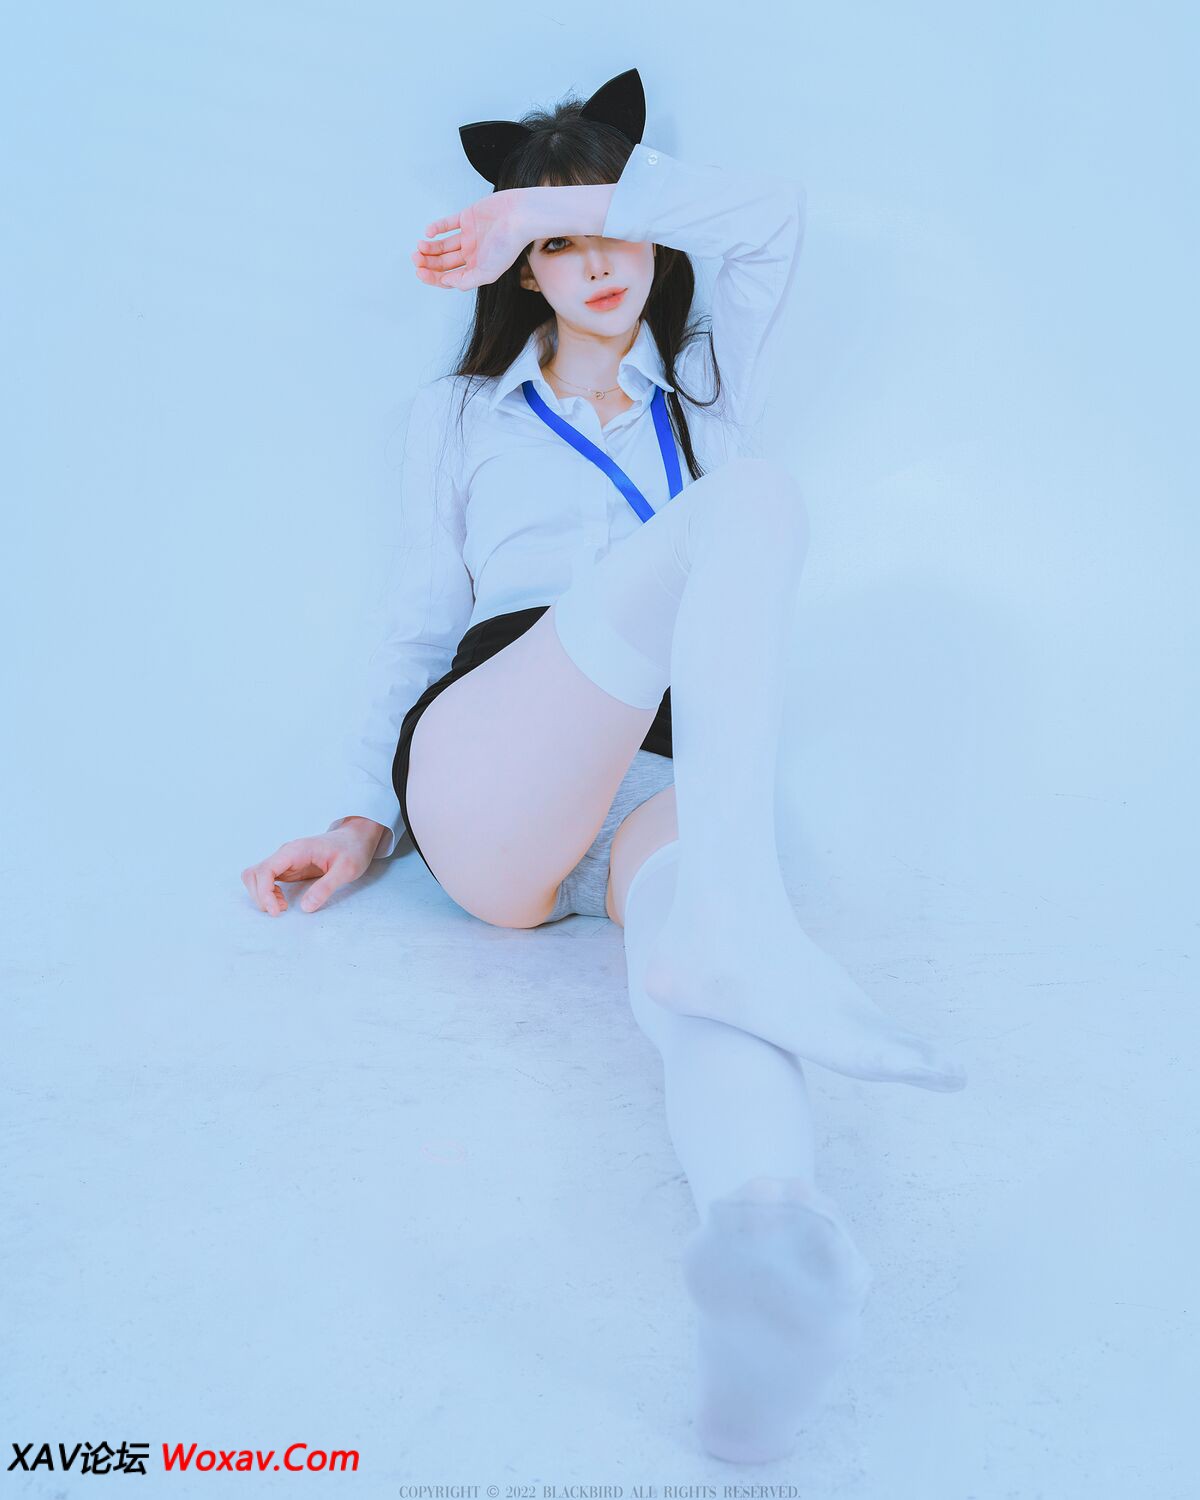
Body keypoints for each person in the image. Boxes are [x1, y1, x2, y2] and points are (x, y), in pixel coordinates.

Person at [241, 68, 967, 1465]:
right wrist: (361, 820)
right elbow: (416, 623)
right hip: (490, 768)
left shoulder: (705, 395)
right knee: (751, 503)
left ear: (650, 232)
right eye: (558, 242)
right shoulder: (460, 417)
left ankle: (768, 1246)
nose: (595, 264)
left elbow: (773, 217)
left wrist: (544, 201)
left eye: (613, 229)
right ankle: (752, 929)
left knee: (699, 953)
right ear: (523, 269)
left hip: (650, 776)